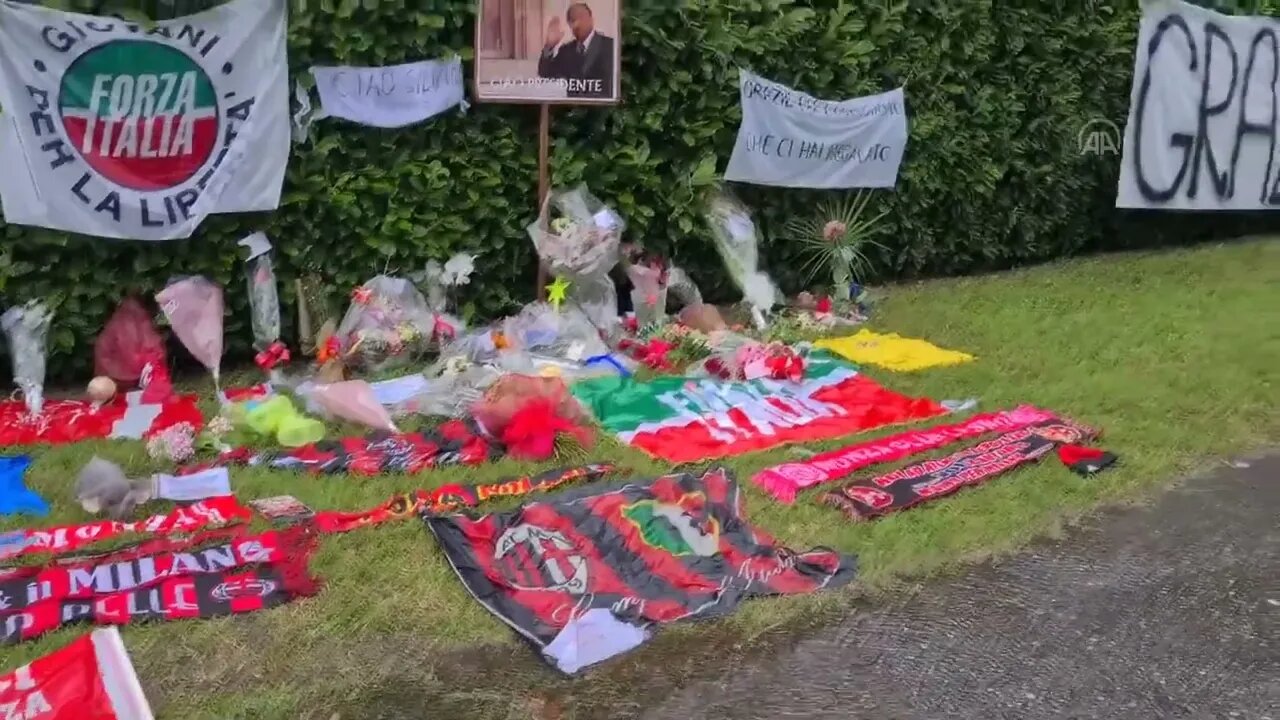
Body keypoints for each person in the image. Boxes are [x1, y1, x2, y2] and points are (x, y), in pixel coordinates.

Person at [537, 2, 615, 100]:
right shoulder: (565, 51)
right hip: (572, 110)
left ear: (591, 19)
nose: (577, 23)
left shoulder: (610, 46)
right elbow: (545, 73)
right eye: (572, 20)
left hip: (602, 110)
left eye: (581, 17)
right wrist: (549, 46)